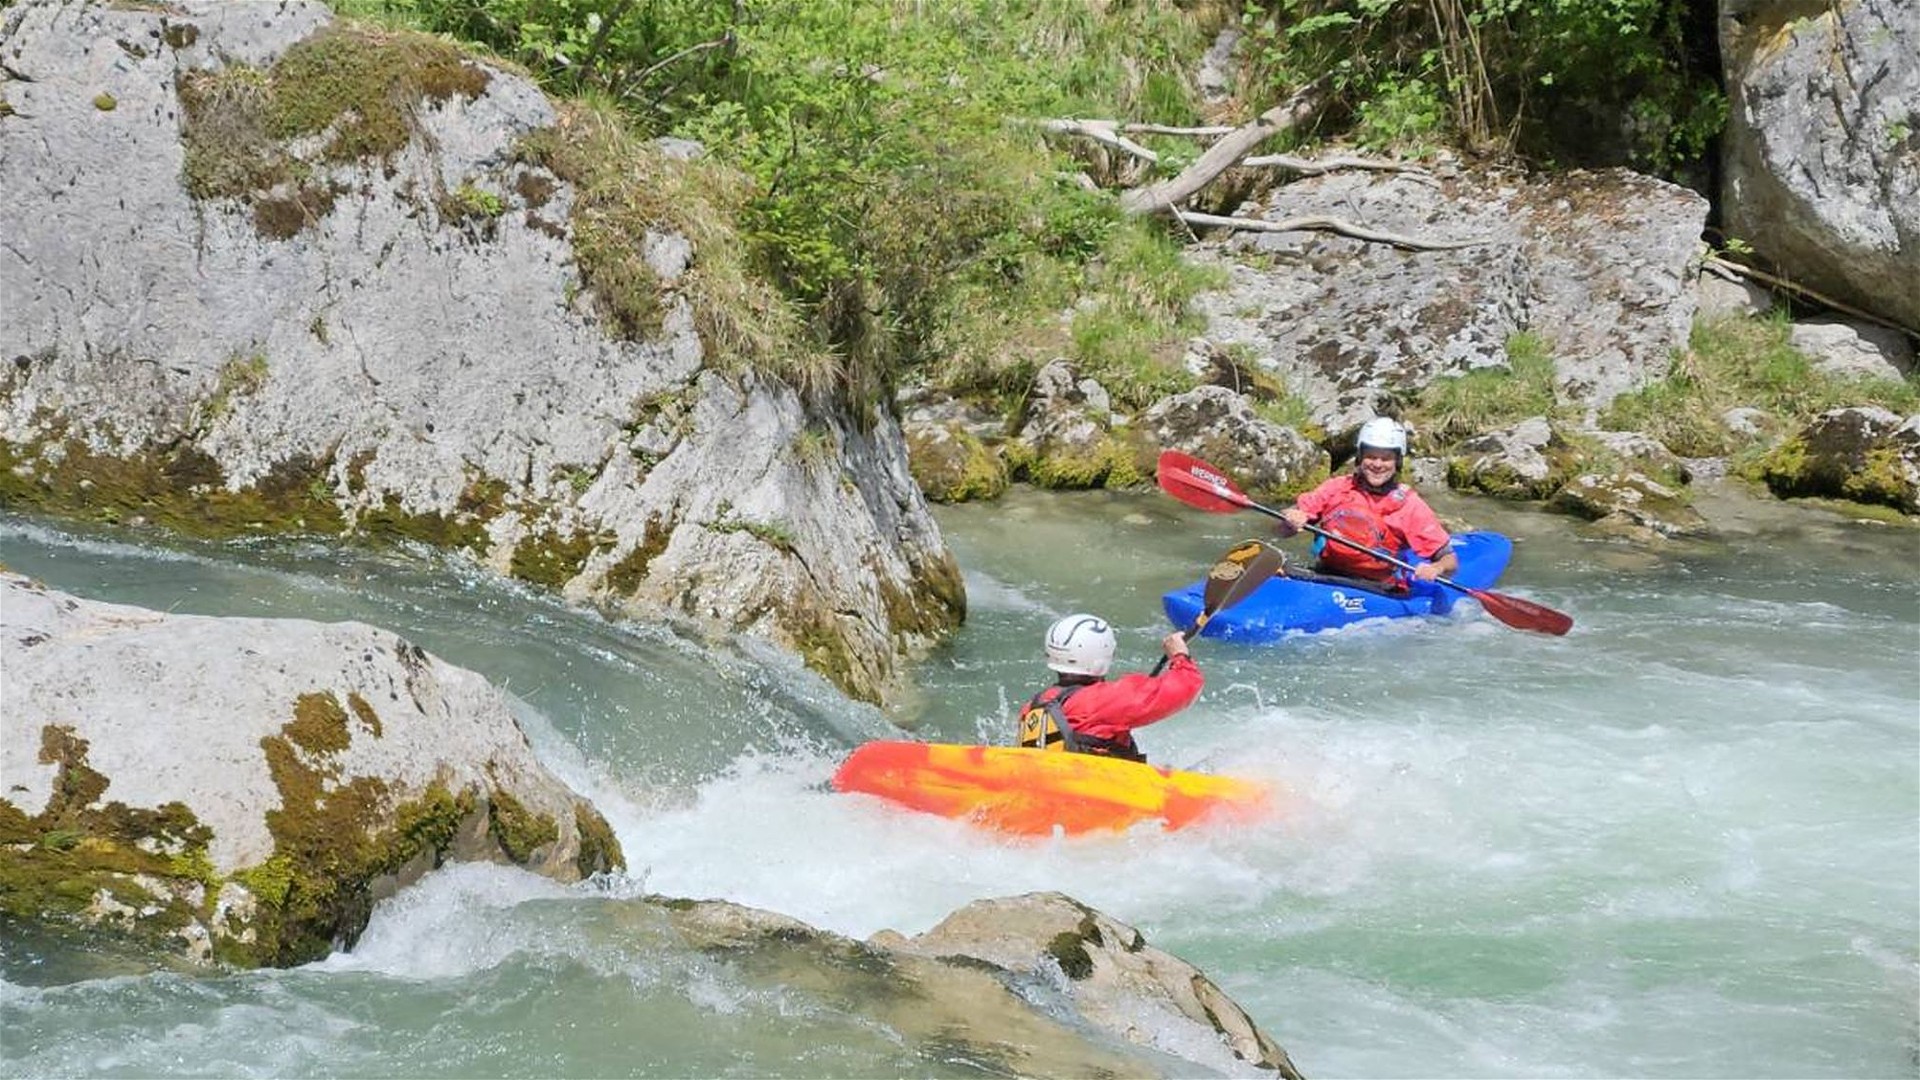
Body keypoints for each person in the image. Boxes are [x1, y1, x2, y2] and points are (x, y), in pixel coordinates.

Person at [1277, 416, 1458, 591]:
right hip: (1326, 574)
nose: (1377, 464)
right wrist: (1290, 521)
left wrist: (1436, 569)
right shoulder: (1337, 487)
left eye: (1386, 458)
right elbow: (1281, 529)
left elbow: (1449, 560)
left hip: (1375, 587)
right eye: (1371, 456)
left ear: (1397, 462)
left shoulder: (1410, 505)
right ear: (1360, 457)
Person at [1016, 613, 1202, 763]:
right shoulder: (1104, 699)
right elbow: (1186, 686)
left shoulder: (1033, 705)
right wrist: (1179, 655)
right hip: (1095, 796)